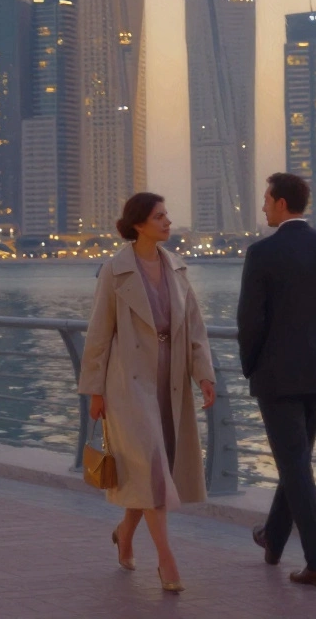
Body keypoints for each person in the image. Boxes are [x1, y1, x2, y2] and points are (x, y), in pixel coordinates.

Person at [79, 192, 218, 594]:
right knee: (154, 466)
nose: (168, 222)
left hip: (170, 379)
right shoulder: (115, 270)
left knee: (149, 470)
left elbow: (194, 328)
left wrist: (204, 375)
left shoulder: (176, 268)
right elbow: (99, 334)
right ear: (139, 223)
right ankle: (166, 560)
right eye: (159, 216)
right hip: (128, 384)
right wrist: (95, 391)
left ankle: (125, 533)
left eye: (167, 215)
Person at [236, 173, 316, 588]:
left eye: (267, 199)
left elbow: (250, 320)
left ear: (282, 203)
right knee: (297, 460)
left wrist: (251, 365)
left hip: (276, 375)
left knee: (295, 464)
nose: (264, 207)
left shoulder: (262, 253)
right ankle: (273, 535)